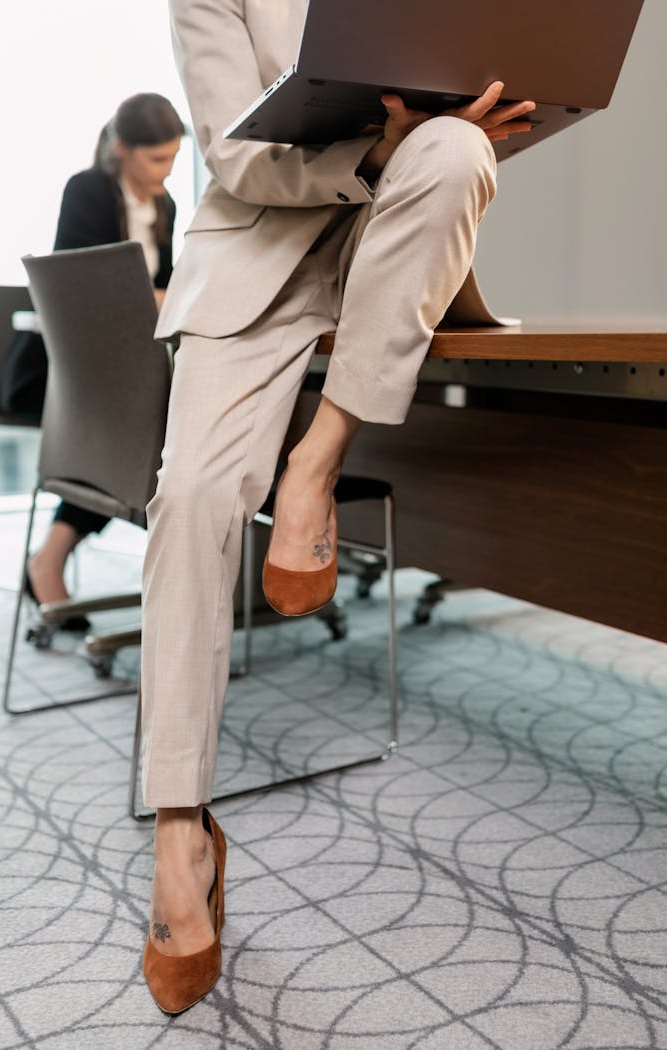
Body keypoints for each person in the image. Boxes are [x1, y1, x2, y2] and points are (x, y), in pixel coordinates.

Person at [140, 0, 536, 1015]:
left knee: (451, 146)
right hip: (259, 249)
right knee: (189, 495)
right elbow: (234, 153)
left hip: (402, 225)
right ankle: (181, 829)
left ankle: (314, 464)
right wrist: (373, 146)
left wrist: (468, 117)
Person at [14, 93, 184, 619]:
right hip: (66, 367)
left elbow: (165, 286)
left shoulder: (165, 205)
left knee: (159, 429)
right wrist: (165, 296)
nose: (167, 169)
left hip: (127, 366)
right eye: (156, 158)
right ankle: (49, 560)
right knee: (142, 438)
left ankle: (49, 557)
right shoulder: (88, 190)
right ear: (122, 149)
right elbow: (84, 284)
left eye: (174, 157)